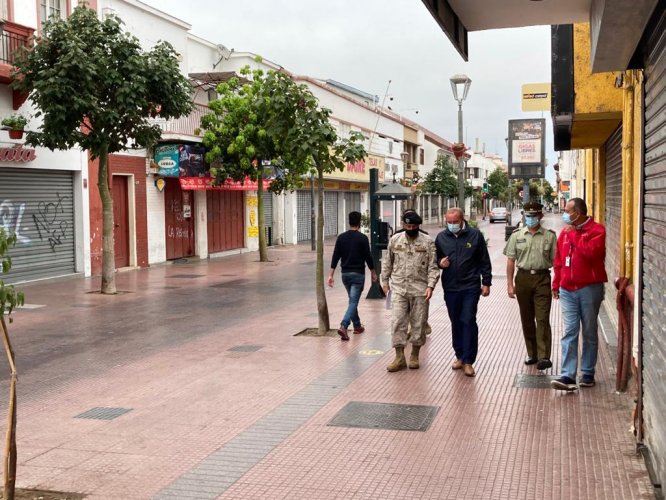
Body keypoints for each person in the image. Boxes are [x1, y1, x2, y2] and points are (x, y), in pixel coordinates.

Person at [551, 197, 608, 391]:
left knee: (589, 331)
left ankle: (587, 373)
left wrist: (575, 234)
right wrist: (556, 283)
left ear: (579, 213)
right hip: (568, 289)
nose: (565, 214)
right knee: (569, 331)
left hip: (589, 288)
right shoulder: (564, 233)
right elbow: (559, 260)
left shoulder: (597, 231)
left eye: (568, 211)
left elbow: (592, 254)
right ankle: (568, 375)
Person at [435, 207, 492, 377]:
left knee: (467, 320)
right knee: (455, 322)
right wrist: (440, 264)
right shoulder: (441, 237)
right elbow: (435, 259)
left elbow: (484, 260)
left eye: (455, 222)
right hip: (451, 287)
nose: (452, 225)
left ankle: (468, 360)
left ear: (462, 220)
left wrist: (486, 282)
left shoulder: (475, 235)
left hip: (470, 286)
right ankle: (459, 355)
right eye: (449, 222)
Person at [381, 210, 439, 372]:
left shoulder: (427, 242)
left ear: (418, 226)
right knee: (397, 322)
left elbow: (433, 267)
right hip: (399, 288)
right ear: (403, 225)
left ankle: (414, 354)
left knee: (419, 323)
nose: (410, 228)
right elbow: (387, 263)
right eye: (408, 226)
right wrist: (384, 281)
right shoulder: (395, 240)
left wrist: (431, 285)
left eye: (413, 226)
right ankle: (399, 357)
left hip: (420, 290)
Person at [504, 202, 557, 370]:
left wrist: (557, 284)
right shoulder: (517, 235)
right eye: (527, 216)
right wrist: (509, 285)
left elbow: (557, 262)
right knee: (527, 319)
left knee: (542, 318)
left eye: (533, 216)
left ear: (540, 216)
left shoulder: (550, 236)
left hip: (542, 278)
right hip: (523, 279)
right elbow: (511, 261)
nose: (530, 219)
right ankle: (532, 353)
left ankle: (544, 356)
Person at [327, 211, 377, 341]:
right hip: (358, 275)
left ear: (349, 222)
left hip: (345, 275)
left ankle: (357, 326)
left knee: (352, 301)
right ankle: (344, 326)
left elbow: (335, 256)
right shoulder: (363, 238)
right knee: (353, 301)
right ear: (359, 223)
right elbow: (368, 257)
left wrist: (330, 275)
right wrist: (373, 272)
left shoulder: (341, 238)